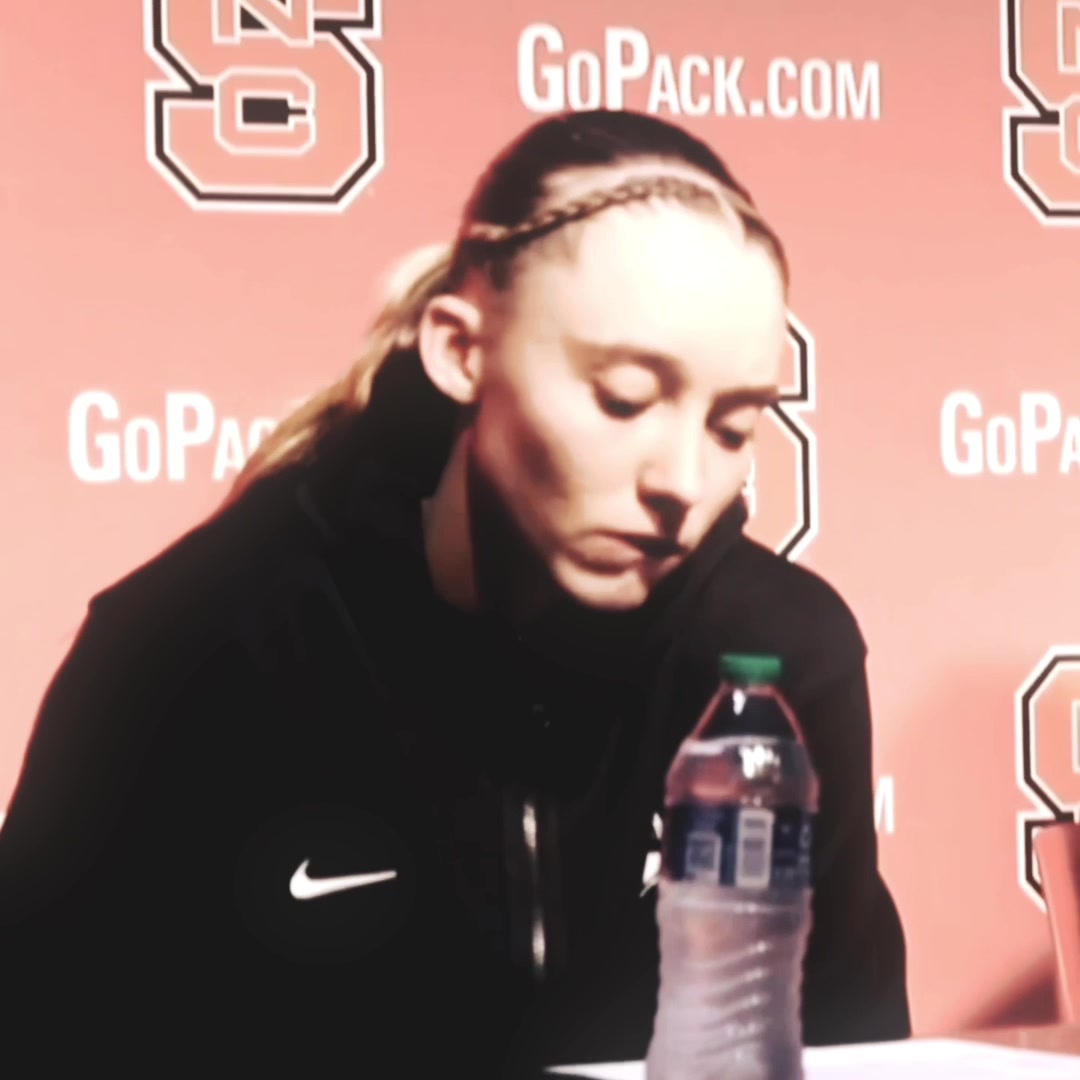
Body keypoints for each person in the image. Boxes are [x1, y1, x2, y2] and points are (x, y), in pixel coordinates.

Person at [0, 109, 909, 1075]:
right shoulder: (198, 640)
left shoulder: (778, 659)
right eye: (624, 399)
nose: (682, 481)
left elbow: (855, 1046)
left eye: (733, 427)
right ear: (460, 350)